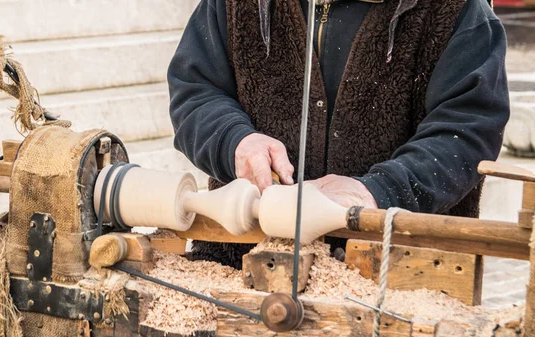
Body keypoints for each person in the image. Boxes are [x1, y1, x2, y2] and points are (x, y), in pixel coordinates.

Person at [168, 0, 510, 269]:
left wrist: (379, 192)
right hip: (239, 261)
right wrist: (235, 142)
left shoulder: (457, 10)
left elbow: (467, 131)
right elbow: (195, 91)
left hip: (403, 277)